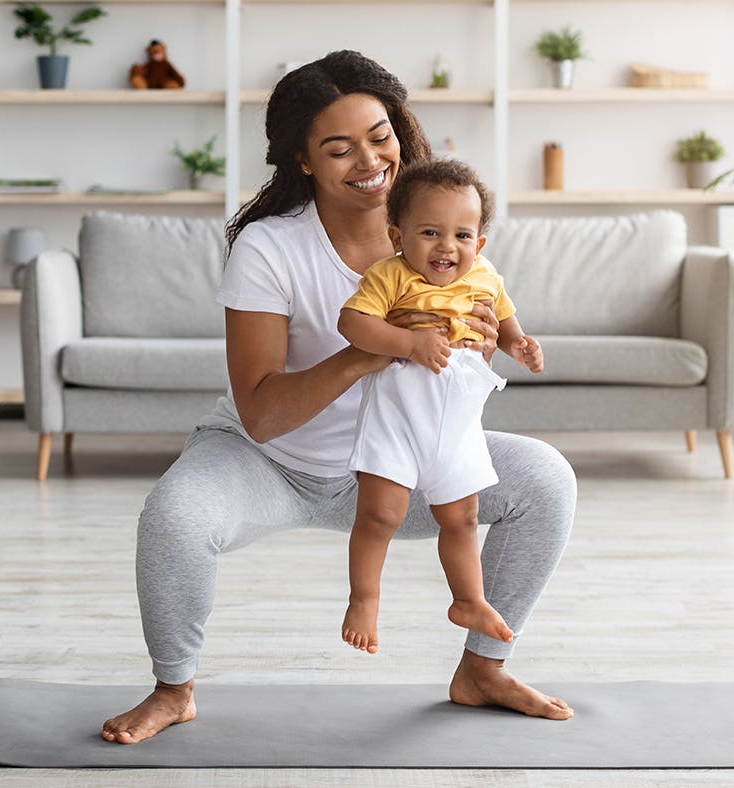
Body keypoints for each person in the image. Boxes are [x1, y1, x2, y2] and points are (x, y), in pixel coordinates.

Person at [100, 50, 576, 746]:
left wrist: (478, 347)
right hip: (270, 462)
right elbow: (262, 414)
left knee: (546, 479)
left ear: (401, 131)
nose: (369, 159)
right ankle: (173, 689)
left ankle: (482, 671)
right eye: (338, 147)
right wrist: (371, 349)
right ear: (303, 161)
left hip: (389, 464)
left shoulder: (445, 237)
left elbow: (467, 364)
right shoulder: (270, 249)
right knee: (172, 519)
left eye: (379, 135)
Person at [338, 158, 544, 655]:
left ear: (480, 243)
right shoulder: (390, 276)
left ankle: (468, 598)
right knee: (379, 515)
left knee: (463, 517)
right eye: (429, 232)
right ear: (397, 235)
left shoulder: (486, 277)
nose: (446, 246)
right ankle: (364, 599)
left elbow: (506, 316)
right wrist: (408, 344)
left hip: (457, 422)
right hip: (399, 414)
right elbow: (352, 323)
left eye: (462, 235)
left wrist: (518, 344)